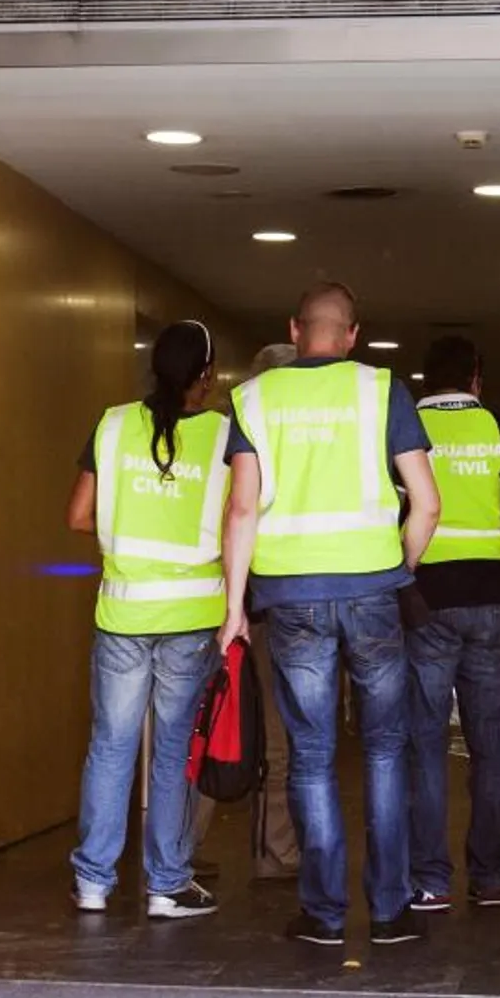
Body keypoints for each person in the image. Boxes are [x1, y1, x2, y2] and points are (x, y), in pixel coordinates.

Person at [218, 282, 441, 946]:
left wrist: (234, 608)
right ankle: (392, 910)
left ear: (295, 330)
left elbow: (241, 510)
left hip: (291, 598)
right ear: (352, 334)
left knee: (311, 755)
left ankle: (322, 913)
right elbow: (426, 502)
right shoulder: (382, 389)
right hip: (374, 590)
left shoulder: (254, 397)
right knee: (383, 748)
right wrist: (399, 564)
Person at [65, 321, 231, 919]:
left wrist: (129, 531)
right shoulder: (224, 437)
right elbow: (242, 519)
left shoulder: (112, 425)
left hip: (123, 611)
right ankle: (166, 883)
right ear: (206, 375)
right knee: (169, 753)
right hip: (191, 616)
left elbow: (79, 516)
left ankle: (93, 882)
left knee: (110, 747)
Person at [401, 336, 500, 911]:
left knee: (425, 743)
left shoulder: (402, 429)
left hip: (426, 599)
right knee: (490, 744)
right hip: (493, 598)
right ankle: (489, 875)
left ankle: (430, 879)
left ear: (427, 380)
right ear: (476, 378)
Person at [189, 343, 302, 881]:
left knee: (209, 729)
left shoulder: (214, 437)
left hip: (212, 606)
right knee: (276, 743)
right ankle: (274, 852)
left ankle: (181, 850)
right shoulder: (282, 445)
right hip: (264, 609)